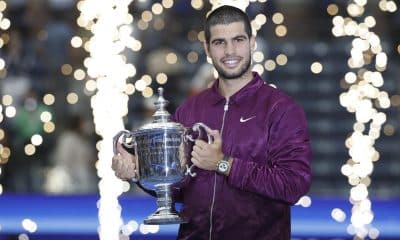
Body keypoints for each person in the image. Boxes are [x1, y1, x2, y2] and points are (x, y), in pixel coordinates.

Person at [112, 5, 312, 240]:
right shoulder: (190, 109)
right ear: (207, 48)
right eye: (219, 42)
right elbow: (179, 187)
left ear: (252, 42)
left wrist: (224, 163)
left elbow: (294, 185)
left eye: (238, 40)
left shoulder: (280, 109)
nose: (230, 51)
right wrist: (139, 170)